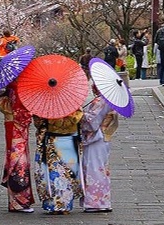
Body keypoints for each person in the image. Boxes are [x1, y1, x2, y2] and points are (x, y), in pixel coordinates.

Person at [33, 109, 84, 214]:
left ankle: (54, 205)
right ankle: (65, 205)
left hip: (53, 140)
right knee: (68, 173)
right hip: (70, 140)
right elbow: (79, 120)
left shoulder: (47, 105)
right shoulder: (74, 104)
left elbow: (39, 123)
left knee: (54, 173)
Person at [0, 83, 35, 213]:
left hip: (11, 125)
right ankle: (19, 202)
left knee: (15, 160)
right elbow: (23, 114)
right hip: (17, 126)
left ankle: (16, 201)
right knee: (18, 163)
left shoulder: (11, 86)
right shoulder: (18, 87)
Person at [81, 83, 118, 213]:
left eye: (95, 85)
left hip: (96, 137)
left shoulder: (100, 100)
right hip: (103, 136)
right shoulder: (109, 99)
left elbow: (91, 122)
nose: (92, 86)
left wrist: (80, 113)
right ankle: (103, 200)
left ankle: (95, 202)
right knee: (101, 167)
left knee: (93, 167)